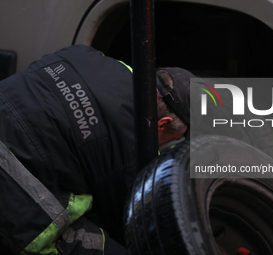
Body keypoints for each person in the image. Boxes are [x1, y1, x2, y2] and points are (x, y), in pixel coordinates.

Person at [0, 45, 194, 254]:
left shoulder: (83, 54)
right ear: (162, 124)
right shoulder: (133, 155)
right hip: (11, 200)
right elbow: (126, 227)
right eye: (173, 139)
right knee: (101, 244)